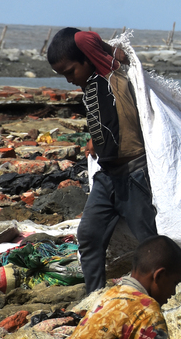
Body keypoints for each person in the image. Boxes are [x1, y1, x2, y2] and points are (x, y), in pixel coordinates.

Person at [48, 28, 157, 293]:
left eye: (71, 71)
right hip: (107, 176)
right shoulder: (91, 86)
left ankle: (163, 292)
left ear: (88, 58)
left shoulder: (111, 72)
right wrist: (95, 140)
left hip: (133, 175)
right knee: (88, 235)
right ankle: (93, 296)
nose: (69, 80)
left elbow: (84, 38)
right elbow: (110, 118)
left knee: (149, 244)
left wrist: (107, 51)